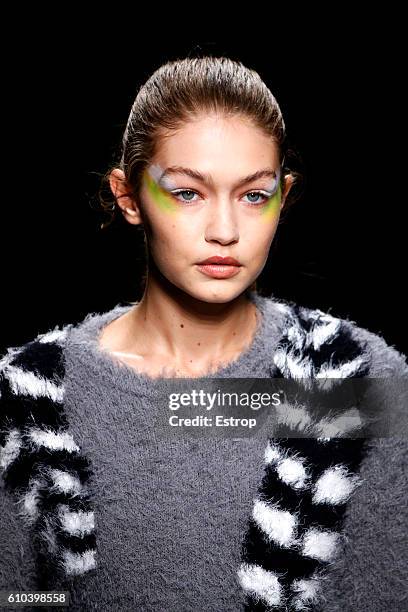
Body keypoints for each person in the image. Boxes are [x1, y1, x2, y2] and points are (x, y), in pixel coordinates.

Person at [1, 56, 407, 612]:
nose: (224, 231)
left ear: (282, 198)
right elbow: (20, 597)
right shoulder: (33, 394)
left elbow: (381, 594)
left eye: (253, 195)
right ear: (128, 196)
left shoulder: (345, 377)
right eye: (188, 193)